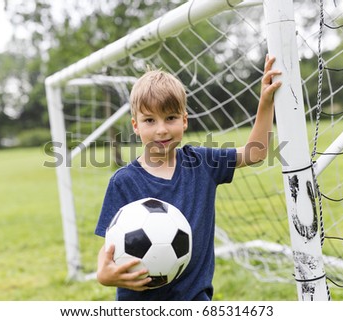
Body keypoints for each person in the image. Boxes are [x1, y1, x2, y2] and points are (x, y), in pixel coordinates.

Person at [95, 55, 282, 300]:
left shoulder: (202, 163)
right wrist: (103, 273)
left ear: (184, 121)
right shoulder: (123, 182)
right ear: (136, 125)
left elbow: (255, 153)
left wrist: (265, 102)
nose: (161, 129)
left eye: (170, 118)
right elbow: (110, 243)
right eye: (150, 120)